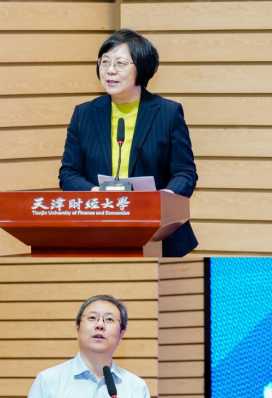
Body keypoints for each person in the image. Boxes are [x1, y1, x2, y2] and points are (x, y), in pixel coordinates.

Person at [58, 29, 198, 257]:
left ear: (141, 68)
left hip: (158, 233)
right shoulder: (84, 113)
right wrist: (95, 194)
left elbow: (185, 172)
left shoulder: (168, 112)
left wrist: (166, 198)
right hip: (98, 228)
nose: (110, 70)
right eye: (105, 62)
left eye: (120, 63)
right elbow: (69, 173)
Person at [13, 295, 162, 398]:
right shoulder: (49, 380)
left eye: (109, 319)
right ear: (78, 330)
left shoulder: (137, 387)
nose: (100, 325)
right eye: (92, 318)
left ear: (121, 336)